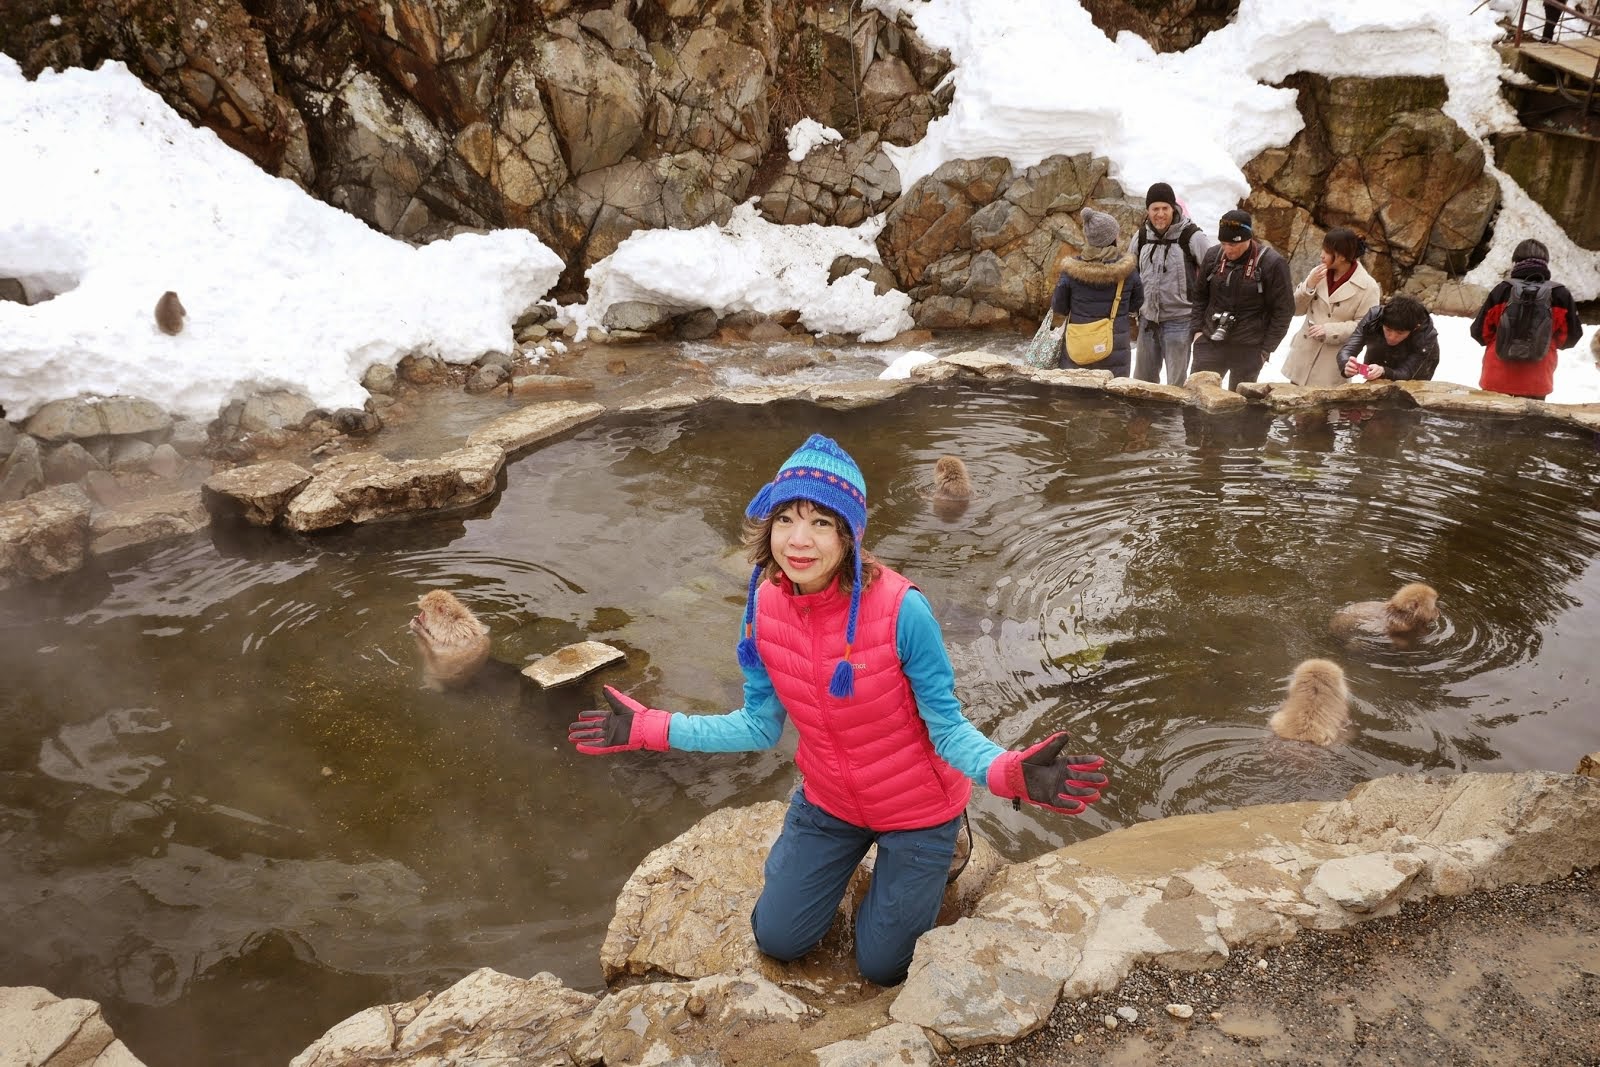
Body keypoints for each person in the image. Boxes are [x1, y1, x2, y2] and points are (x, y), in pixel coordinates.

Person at [566, 434, 1108, 987]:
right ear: (767, 526)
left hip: (917, 809)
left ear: (850, 535)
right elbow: (758, 724)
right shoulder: (763, 605)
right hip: (830, 802)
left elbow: (948, 730)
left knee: (882, 966)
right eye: (787, 520)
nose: (799, 541)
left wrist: (1008, 772)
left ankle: (943, 846)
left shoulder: (903, 609)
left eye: (822, 523)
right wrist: (649, 726)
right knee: (777, 940)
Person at [1189, 208, 1293, 391]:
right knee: (1196, 400)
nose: (1228, 249)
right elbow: (1199, 296)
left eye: (1234, 244)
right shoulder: (1213, 256)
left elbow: (1284, 310)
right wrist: (1197, 332)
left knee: (1240, 410)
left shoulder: (1272, 263)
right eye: (1224, 243)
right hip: (1210, 340)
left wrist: (1265, 349)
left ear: (1248, 238)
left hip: (1250, 347)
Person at [1469, 238, 1585, 401]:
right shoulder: (1560, 294)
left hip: (1496, 378)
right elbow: (1571, 337)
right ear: (1545, 263)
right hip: (1536, 381)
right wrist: (1546, 341)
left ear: (1515, 262)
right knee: (1529, 426)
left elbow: (1479, 333)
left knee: (1492, 425)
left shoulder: (1502, 290)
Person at [1133, 182, 1214, 386]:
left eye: (1164, 208)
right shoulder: (1141, 236)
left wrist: (1203, 320)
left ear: (1173, 208)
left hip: (1180, 322)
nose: (1160, 214)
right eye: (1155, 209)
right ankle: (1144, 419)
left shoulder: (1192, 236)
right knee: (1141, 385)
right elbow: (1130, 273)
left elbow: (1212, 277)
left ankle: (1172, 420)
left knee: (1176, 386)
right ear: (1148, 211)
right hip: (1147, 321)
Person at [1281, 227, 1382, 387]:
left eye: (1327, 251)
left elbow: (1366, 327)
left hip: (1331, 362)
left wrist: (1330, 330)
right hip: (1303, 356)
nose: (1321, 254)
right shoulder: (1318, 273)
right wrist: (1309, 286)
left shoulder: (1368, 287)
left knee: (1321, 410)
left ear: (1342, 256)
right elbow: (1295, 310)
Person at [1051, 206, 1144, 377]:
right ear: (1112, 237)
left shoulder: (1070, 272)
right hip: (1115, 350)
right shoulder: (1128, 271)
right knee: (1111, 399)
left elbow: (1059, 307)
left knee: (1074, 397)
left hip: (1078, 348)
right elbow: (1137, 304)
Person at [1335, 295, 1441, 382]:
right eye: (1388, 329)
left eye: (1400, 333)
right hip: (1377, 363)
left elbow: (1408, 373)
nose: (1392, 337)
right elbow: (1348, 348)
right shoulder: (1374, 317)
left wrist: (1384, 372)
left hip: (1414, 378)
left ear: (1415, 328)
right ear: (1382, 322)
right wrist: (1346, 365)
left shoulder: (1426, 337)